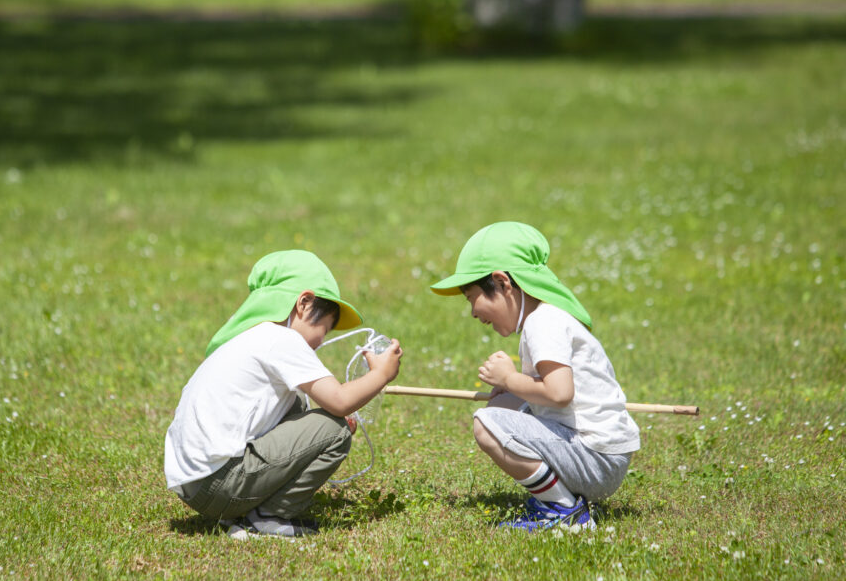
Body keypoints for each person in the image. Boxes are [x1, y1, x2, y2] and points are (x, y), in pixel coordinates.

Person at [165, 250, 403, 538]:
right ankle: (266, 516)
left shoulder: (250, 338)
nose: (321, 341)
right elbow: (339, 402)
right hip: (219, 484)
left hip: (195, 485)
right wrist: (381, 375)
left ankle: (244, 510)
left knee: (298, 405)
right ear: (303, 303)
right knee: (334, 429)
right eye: (324, 328)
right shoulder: (281, 339)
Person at [431, 222, 639, 531]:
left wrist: (509, 379)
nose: (473, 312)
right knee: (500, 410)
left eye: (471, 297)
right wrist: (511, 395)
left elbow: (559, 394)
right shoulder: (546, 318)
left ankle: (563, 511)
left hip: (598, 461)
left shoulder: (543, 323)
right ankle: (561, 501)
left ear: (503, 283)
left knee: (486, 425)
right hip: (603, 457)